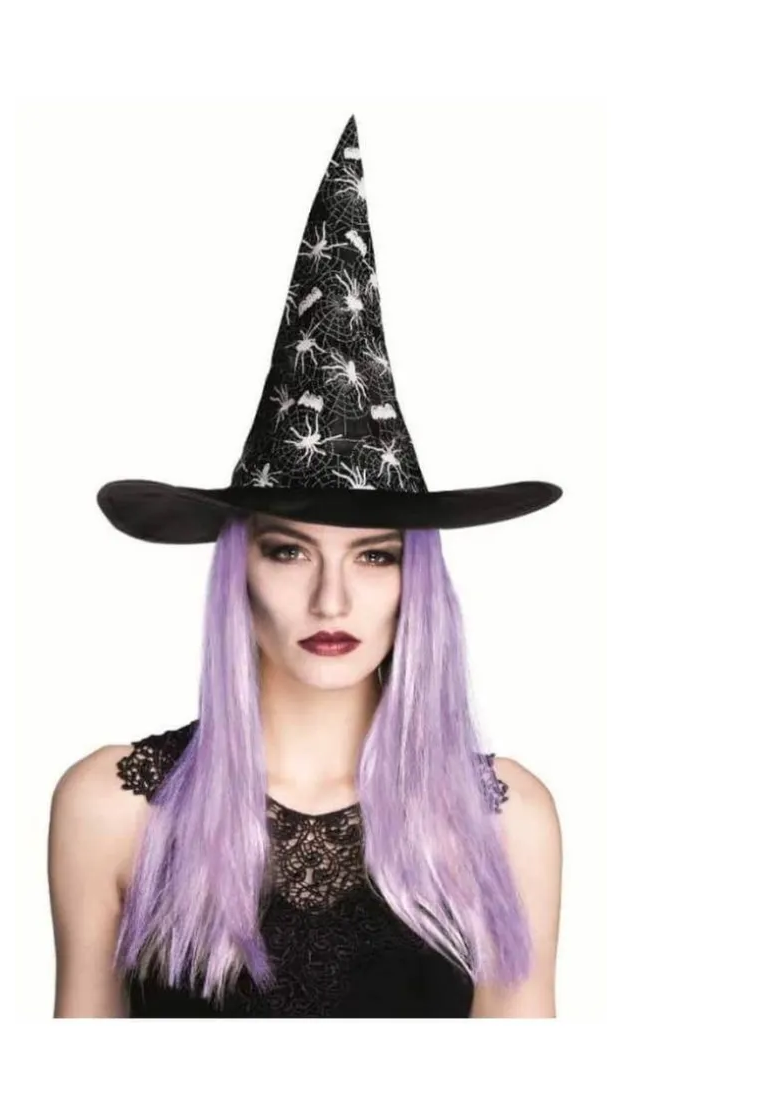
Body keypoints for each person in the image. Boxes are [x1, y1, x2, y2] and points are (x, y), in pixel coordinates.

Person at [48, 115, 564, 1017]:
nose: (332, 597)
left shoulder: (501, 820)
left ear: (417, 584)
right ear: (238, 572)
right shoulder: (114, 807)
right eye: (289, 550)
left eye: (375, 556)